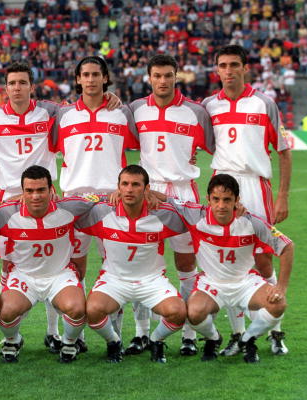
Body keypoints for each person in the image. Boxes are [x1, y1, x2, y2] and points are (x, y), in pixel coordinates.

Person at [0, 61, 122, 353]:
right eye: (11, 83)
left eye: (22, 82)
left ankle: (54, 332)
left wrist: (109, 96)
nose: (17, 88)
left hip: (47, 197)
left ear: (32, 86)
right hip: (11, 199)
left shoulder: (52, 112)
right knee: (10, 263)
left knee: (56, 262)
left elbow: (86, 105)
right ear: (5, 88)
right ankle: (11, 335)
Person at [202, 45, 292, 356]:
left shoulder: (264, 103)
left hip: (255, 185)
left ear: (245, 68)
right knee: (228, 256)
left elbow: (283, 151)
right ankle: (238, 334)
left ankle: (275, 330)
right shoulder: (209, 105)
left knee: (263, 257)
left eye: (234, 65)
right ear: (217, 70)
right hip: (222, 185)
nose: (228, 71)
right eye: (223, 65)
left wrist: (282, 195)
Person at [126, 54, 215, 356]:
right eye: (157, 76)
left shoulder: (195, 112)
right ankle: (141, 334)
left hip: (183, 195)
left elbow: (218, 150)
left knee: (186, 265)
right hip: (147, 195)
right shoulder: (136, 109)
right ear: (148, 78)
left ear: (177, 76)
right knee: (140, 264)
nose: (162, 81)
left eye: (168, 75)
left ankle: (189, 334)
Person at [153, 174, 294, 363]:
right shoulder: (196, 214)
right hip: (211, 283)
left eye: (227, 200)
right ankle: (213, 338)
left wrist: (281, 287)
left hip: (245, 282)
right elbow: (166, 199)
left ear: (237, 200)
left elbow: (287, 246)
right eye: (216, 199)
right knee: (194, 313)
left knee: (278, 305)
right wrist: (142, 190)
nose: (221, 205)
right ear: (208, 199)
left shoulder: (252, 222)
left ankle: (248, 339)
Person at [52, 56, 138, 349]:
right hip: (75, 200)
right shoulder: (63, 115)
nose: (90, 80)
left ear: (105, 79)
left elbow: (146, 144)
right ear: (77, 80)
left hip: (112, 200)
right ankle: (76, 337)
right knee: (73, 269)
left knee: (117, 268)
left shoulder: (121, 113)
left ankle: (116, 336)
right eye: (85, 75)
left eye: (95, 75)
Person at [0, 166, 99, 363]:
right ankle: (13, 340)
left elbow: (102, 202)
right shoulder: (7, 213)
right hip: (24, 275)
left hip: (59, 274)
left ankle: (68, 341)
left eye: (41, 190)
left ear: (51, 190)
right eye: (29, 191)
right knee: (5, 311)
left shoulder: (70, 208)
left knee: (77, 308)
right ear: (22, 192)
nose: (35, 196)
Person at [79, 165, 188, 363]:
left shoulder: (162, 214)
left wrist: (164, 198)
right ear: (118, 187)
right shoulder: (103, 212)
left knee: (178, 313)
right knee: (92, 311)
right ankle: (114, 342)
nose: (129, 189)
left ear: (147, 189)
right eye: (125, 184)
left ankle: (155, 340)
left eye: (136, 185)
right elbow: (72, 206)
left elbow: (193, 212)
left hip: (152, 281)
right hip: (114, 279)